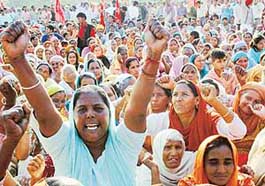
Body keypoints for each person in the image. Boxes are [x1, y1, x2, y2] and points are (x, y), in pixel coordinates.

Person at [0, 20, 169, 185]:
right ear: (72, 116)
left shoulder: (124, 143)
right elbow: (44, 112)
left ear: (110, 112)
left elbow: (137, 110)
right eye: (81, 109)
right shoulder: (65, 145)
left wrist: (153, 58)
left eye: (98, 108)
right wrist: (18, 60)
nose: (90, 114)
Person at [153, 78, 246, 151]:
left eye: (184, 94)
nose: (178, 99)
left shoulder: (209, 119)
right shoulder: (164, 120)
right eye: (175, 95)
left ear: (197, 100)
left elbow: (239, 132)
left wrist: (214, 101)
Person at [178, 135, 255, 186]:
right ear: (202, 164)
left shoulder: (244, 183)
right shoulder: (187, 184)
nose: (221, 170)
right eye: (213, 163)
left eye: (227, 163)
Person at [233, 82, 265, 166]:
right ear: (239, 97)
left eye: (257, 101)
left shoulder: (261, 122)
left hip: (254, 167)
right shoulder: (225, 115)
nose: (250, 103)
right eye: (248, 98)